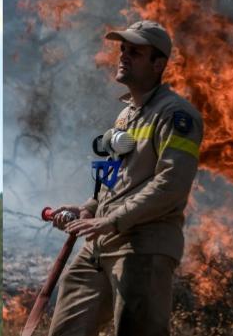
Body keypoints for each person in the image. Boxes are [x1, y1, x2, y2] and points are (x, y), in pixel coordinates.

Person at [47, 20, 204, 336]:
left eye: (135, 52)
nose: (123, 56)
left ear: (158, 64)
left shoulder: (176, 115)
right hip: (100, 244)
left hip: (142, 247)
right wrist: (88, 209)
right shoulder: (126, 115)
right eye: (123, 49)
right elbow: (117, 182)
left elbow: (172, 185)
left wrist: (113, 220)